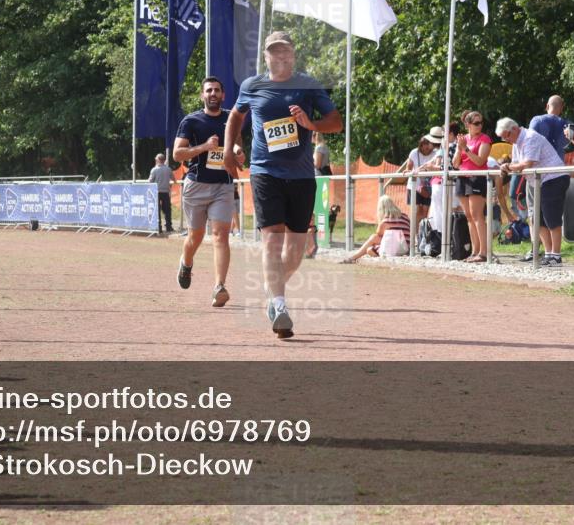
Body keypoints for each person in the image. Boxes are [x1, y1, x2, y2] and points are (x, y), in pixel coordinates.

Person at [224, 31, 343, 339]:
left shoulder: (308, 85)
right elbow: (235, 117)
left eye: (285, 51)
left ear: (293, 55)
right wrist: (230, 148)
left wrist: (311, 124)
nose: (280, 56)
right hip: (265, 172)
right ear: (265, 56)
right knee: (272, 240)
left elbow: (336, 121)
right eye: (274, 52)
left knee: (296, 251)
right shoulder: (252, 86)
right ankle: (279, 306)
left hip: (302, 176)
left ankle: (272, 286)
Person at [173, 77, 243, 308]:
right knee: (196, 236)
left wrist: (239, 154)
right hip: (196, 186)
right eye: (209, 90)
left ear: (223, 95)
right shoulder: (191, 121)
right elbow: (177, 154)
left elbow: (238, 147)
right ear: (202, 95)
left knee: (221, 235)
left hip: (223, 185)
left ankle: (219, 286)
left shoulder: (231, 119)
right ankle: (186, 262)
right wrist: (204, 147)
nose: (213, 94)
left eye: (217, 90)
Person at [496, 118, 570, 266]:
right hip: (538, 182)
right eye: (503, 138)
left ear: (514, 129)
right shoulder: (516, 143)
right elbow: (517, 164)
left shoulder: (530, 137)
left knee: (551, 218)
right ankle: (549, 254)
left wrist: (508, 167)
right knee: (537, 218)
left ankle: (556, 255)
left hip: (553, 179)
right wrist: (509, 166)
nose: (506, 140)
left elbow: (527, 163)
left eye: (507, 136)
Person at [452, 111, 492, 262]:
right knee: (469, 217)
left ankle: (483, 252)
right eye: (476, 123)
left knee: (477, 216)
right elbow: (455, 164)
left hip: (477, 178)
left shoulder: (484, 139)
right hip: (462, 178)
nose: (480, 125)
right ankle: (475, 251)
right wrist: (459, 148)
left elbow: (480, 161)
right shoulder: (463, 139)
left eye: (481, 122)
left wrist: (466, 149)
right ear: (467, 124)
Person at [340, 195, 411, 263]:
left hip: (395, 249)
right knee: (370, 249)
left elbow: (378, 235)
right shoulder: (405, 216)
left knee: (373, 239)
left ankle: (353, 257)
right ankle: (360, 255)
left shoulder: (385, 221)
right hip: (405, 248)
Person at [394, 130, 442, 228]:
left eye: (428, 144)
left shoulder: (436, 153)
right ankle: (414, 233)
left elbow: (433, 166)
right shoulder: (414, 153)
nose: (426, 147)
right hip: (414, 186)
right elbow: (409, 167)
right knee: (415, 210)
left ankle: (422, 232)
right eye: (424, 144)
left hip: (428, 186)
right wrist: (409, 171)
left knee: (425, 210)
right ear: (420, 145)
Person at [529, 95, 568, 162]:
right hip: (559, 165)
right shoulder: (567, 125)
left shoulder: (537, 120)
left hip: (540, 165)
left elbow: (529, 141)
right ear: (561, 108)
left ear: (547, 106)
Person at [147, 154, 175, 233]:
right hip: (166, 192)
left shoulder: (154, 170)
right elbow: (173, 179)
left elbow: (150, 181)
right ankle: (168, 226)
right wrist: (170, 184)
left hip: (157, 192)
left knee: (157, 210)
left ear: (158, 160)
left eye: (156, 159)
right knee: (167, 210)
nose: (155, 161)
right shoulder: (168, 169)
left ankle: (159, 227)